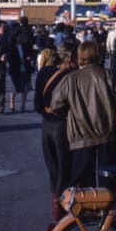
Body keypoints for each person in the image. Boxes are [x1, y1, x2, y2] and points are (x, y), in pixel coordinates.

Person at [50, 41, 116, 189]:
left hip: (81, 137)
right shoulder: (108, 76)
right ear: (98, 54)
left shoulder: (71, 79)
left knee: (83, 182)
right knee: (109, 180)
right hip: (109, 135)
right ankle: (108, 209)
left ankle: (89, 208)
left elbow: (55, 105)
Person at [34, 42, 77, 221]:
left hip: (46, 126)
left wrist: (47, 111)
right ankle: (62, 204)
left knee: (52, 167)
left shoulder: (43, 72)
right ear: (70, 57)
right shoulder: (71, 76)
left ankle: (54, 200)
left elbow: (37, 105)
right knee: (65, 167)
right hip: (63, 126)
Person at [7, 22, 34, 112]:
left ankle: (23, 105)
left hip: (25, 67)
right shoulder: (12, 47)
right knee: (14, 87)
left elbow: (30, 54)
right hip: (15, 68)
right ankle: (12, 103)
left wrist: (28, 58)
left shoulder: (25, 46)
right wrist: (19, 61)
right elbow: (10, 58)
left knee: (25, 87)